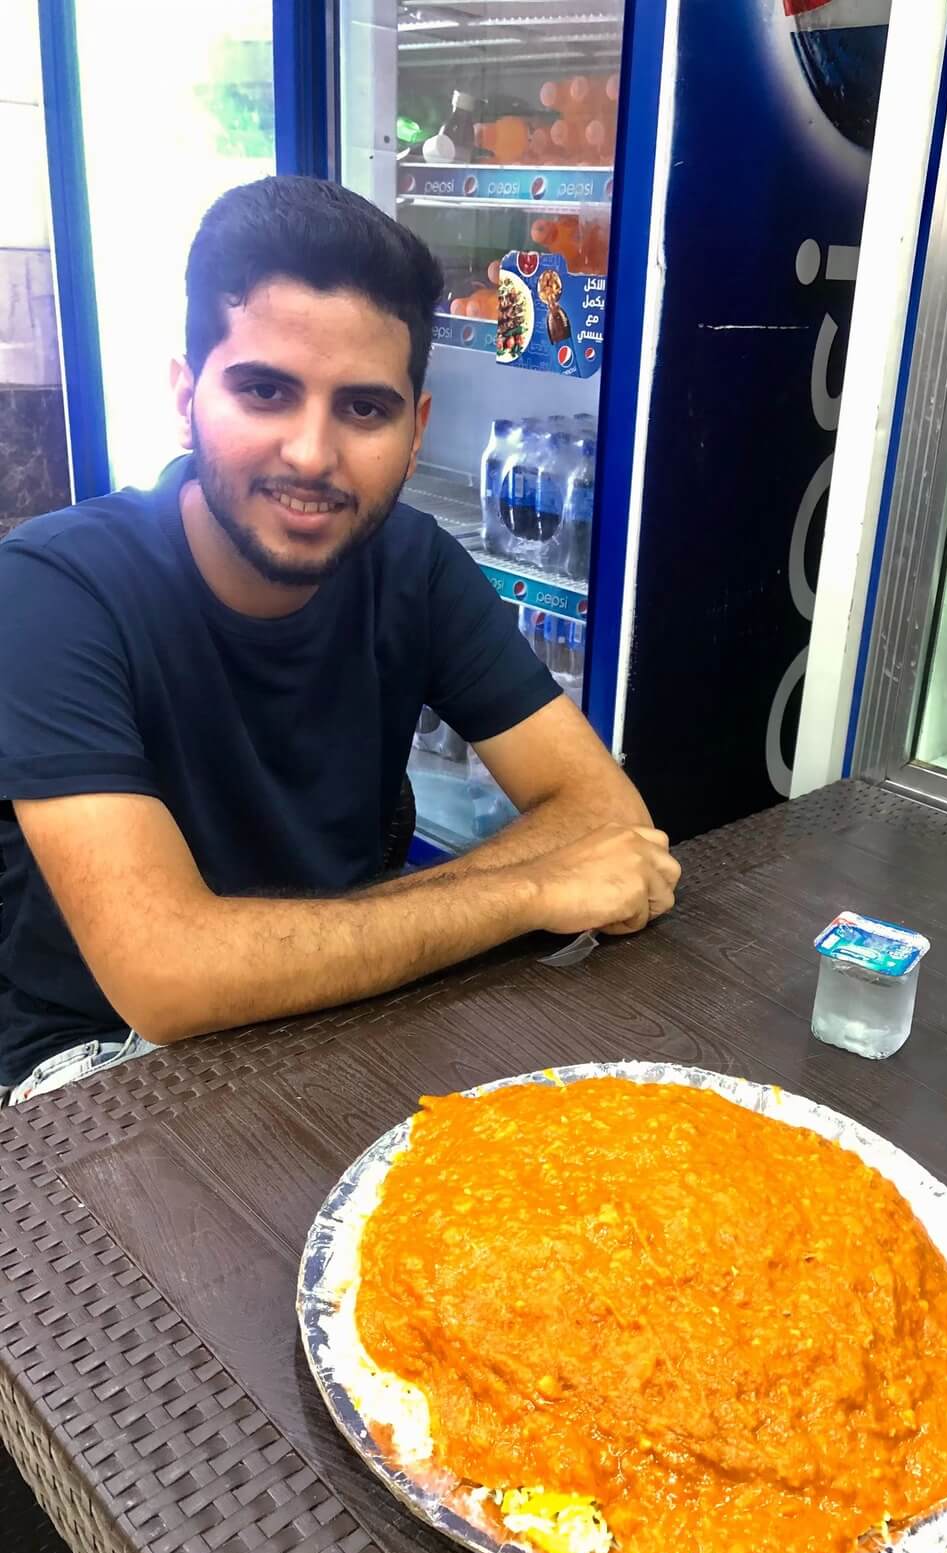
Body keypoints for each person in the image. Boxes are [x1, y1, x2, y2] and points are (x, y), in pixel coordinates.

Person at [0, 176, 679, 1104]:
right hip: (100, 1067)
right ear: (186, 395)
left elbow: (607, 815)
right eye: (265, 391)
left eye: (363, 409)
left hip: (349, 1015)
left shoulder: (413, 564)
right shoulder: (51, 588)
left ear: (416, 429)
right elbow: (167, 977)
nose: (313, 455)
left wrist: (355, 939)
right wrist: (527, 890)